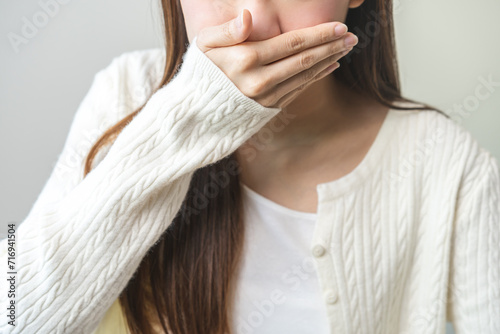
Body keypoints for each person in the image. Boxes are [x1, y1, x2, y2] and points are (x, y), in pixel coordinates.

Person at [0, 0, 499, 332]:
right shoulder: (126, 94)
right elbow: (13, 312)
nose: (253, 15)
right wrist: (190, 117)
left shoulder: (447, 166)